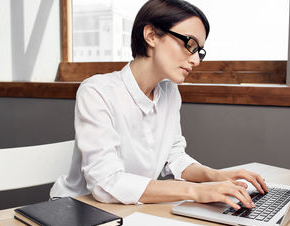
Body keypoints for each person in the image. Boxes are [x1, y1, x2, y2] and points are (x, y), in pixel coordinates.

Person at [50, 0, 268, 210]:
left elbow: (174, 158)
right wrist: (195, 191)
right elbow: (106, 184)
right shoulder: (97, 91)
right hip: (76, 208)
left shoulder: (170, 92)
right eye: (189, 44)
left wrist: (216, 176)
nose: (196, 61)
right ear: (151, 35)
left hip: (129, 210)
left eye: (199, 51)